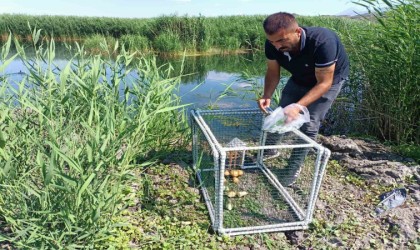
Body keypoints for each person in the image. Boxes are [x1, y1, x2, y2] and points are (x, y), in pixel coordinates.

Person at [258, 12, 349, 186]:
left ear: (297, 32)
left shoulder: (323, 42)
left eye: (282, 40)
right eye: (273, 42)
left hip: (329, 80)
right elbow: (272, 71)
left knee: (309, 123)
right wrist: (267, 95)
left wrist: (298, 106)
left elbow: (324, 83)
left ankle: (292, 169)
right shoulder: (272, 44)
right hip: (300, 76)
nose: (277, 46)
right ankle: (269, 151)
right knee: (280, 114)